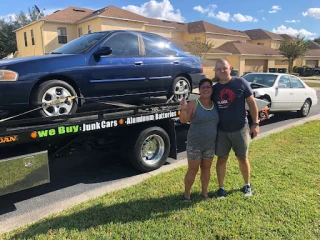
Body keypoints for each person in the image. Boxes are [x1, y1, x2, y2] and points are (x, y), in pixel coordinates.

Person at [211, 59, 259, 198]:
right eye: (219, 69)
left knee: (243, 158)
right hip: (222, 131)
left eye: (224, 68)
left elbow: (252, 103)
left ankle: (247, 185)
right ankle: (221, 188)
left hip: (240, 129)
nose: (222, 71)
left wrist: (255, 123)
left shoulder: (240, 83)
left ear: (230, 68)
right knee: (221, 159)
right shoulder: (215, 89)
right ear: (215, 71)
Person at [179, 78, 219, 202]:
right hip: (194, 145)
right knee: (193, 170)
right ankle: (187, 195)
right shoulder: (194, 104)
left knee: (206, 169)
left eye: (208, 87)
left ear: (212, 90)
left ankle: (204, 194)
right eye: (203, 87)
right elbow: (183, 120)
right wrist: (184, 109)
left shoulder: (215, 105)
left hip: (210, 145)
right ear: (199, 90)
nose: (206, 89)